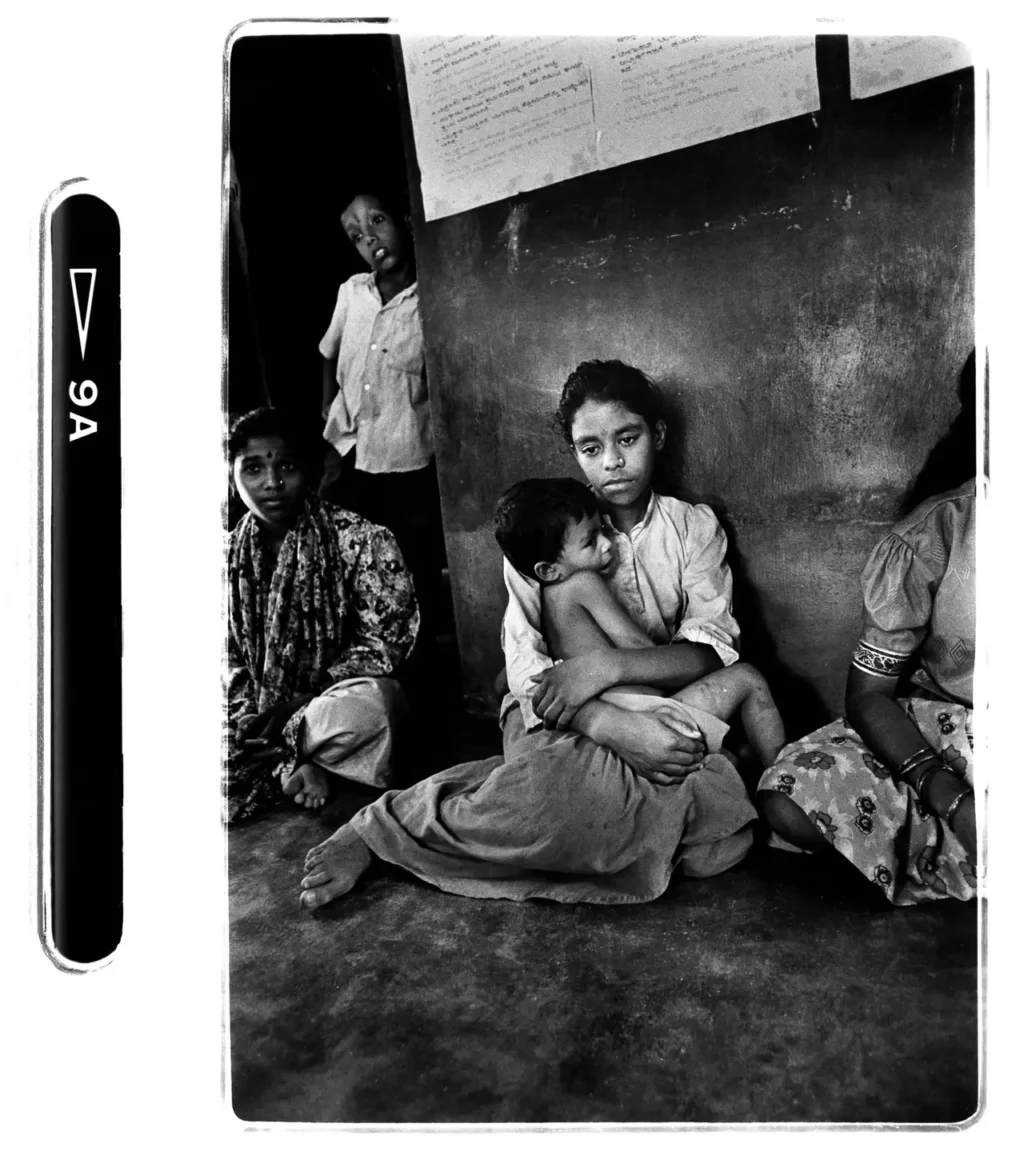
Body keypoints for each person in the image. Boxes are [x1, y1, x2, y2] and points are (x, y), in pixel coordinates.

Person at [298, 360, 759, 908]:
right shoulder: (542, 532)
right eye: (591, 448)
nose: (612, 461)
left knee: (718, 840)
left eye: (628, 439)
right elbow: (525, 665)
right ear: (575, 453)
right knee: (545, 802)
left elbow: (712, 649)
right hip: (557, 716)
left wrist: (607, 670)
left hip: (656, 704)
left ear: (656, 435)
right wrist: (603, 721)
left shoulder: (692, 527)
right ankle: (384, 825)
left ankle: (619, 828)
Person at [757, 476, 978, 904]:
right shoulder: (936, 530)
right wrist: (949, 796)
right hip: (945, 740)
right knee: (791, 796)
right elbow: (868, 696)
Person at [493, 476, 786, 768]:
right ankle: (781, 777)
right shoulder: (585, 583)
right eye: (590, 541)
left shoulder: (547, 597)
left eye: (603, 532)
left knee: (729, 760)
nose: (608, 544)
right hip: (640, 714)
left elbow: (508, 679)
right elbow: (637, 645)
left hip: (598, 721)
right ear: (548, 570)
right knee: (748, 679)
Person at [225, 407, 419, 823]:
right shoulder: (223, 558)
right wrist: (249, 716)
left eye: (287, 467)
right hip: (261, 708)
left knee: (375, 709)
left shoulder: (362, 539)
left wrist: (303, 702)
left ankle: (289, 753)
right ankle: (298, 759)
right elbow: (226, 657)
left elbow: (386, 643)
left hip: (329, 702)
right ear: (231, 476)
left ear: (308, 472)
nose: (272, 484)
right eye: (254, 469)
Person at [318, 191, 447, 663]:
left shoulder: (430, 299)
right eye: (357, 235)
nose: (370, 238)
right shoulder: (352, 292)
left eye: (377, 221)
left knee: (412, 561)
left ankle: (421, 655)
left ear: (407, 223)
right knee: (351, 557)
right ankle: (360, 654)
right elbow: (328, 352)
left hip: (407, 455)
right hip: (349, 449)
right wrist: (327, 412)